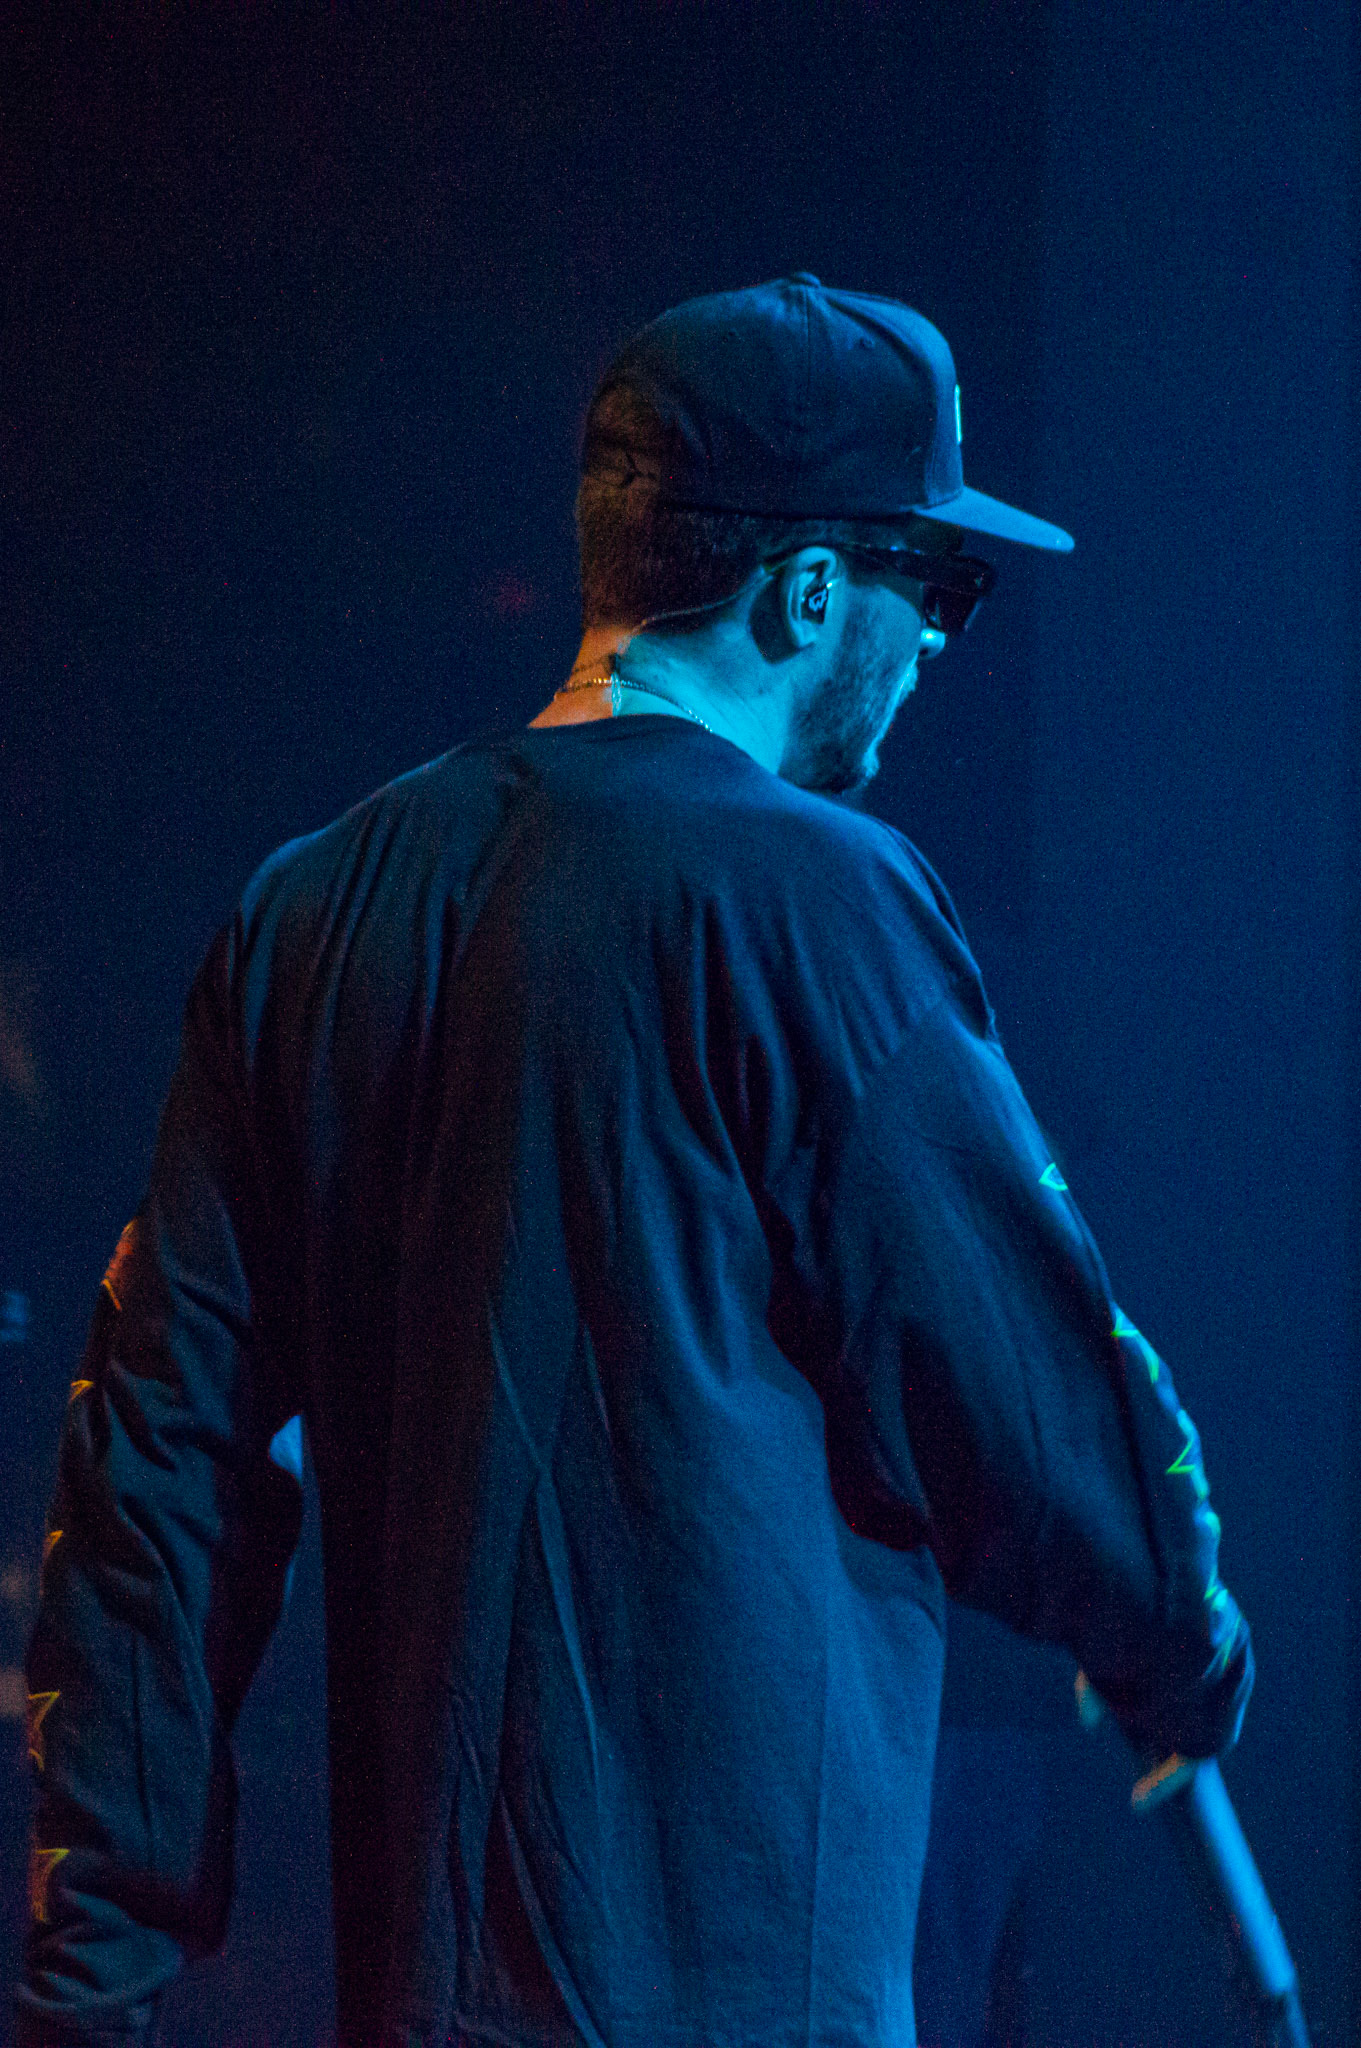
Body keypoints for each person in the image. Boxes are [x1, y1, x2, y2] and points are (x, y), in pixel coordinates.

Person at [18, 275, 1251, 2048]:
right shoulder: (814, 897)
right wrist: (1175, 1636)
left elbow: (158, 1471)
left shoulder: (311, 910)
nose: (937, 641)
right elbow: (1031, 1401)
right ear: (807, 589)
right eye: (935, 583)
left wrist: (99, 1965)